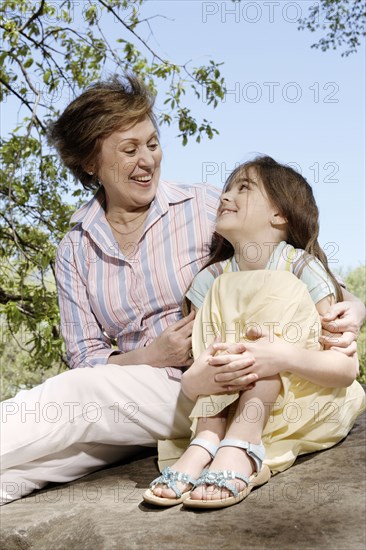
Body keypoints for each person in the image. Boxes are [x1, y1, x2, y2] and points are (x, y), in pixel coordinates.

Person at [0, 77, 364, 506]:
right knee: (44, 462)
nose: (147, 160)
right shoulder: (74, 250)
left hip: (209, 388)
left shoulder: (206, 205)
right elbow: (84, 355)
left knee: (77, 395)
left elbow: (289, 263)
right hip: (141, 396)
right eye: (129, 149)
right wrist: (148, 356)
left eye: (152, 144)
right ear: (89, 163)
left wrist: (354, 307)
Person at [144, 156, 366, 509]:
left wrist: (280, 356)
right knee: (221, 304)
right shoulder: (209, 280)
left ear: (280, 215)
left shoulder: (302, 268)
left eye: (243, 188)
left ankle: (243, 441)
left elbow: (344, 370)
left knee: (279, 288)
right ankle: (208, 438)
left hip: (298, 403)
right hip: (222, 406)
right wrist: (193, 383)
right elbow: (199, 358)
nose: (226, 196)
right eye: (228, 188)